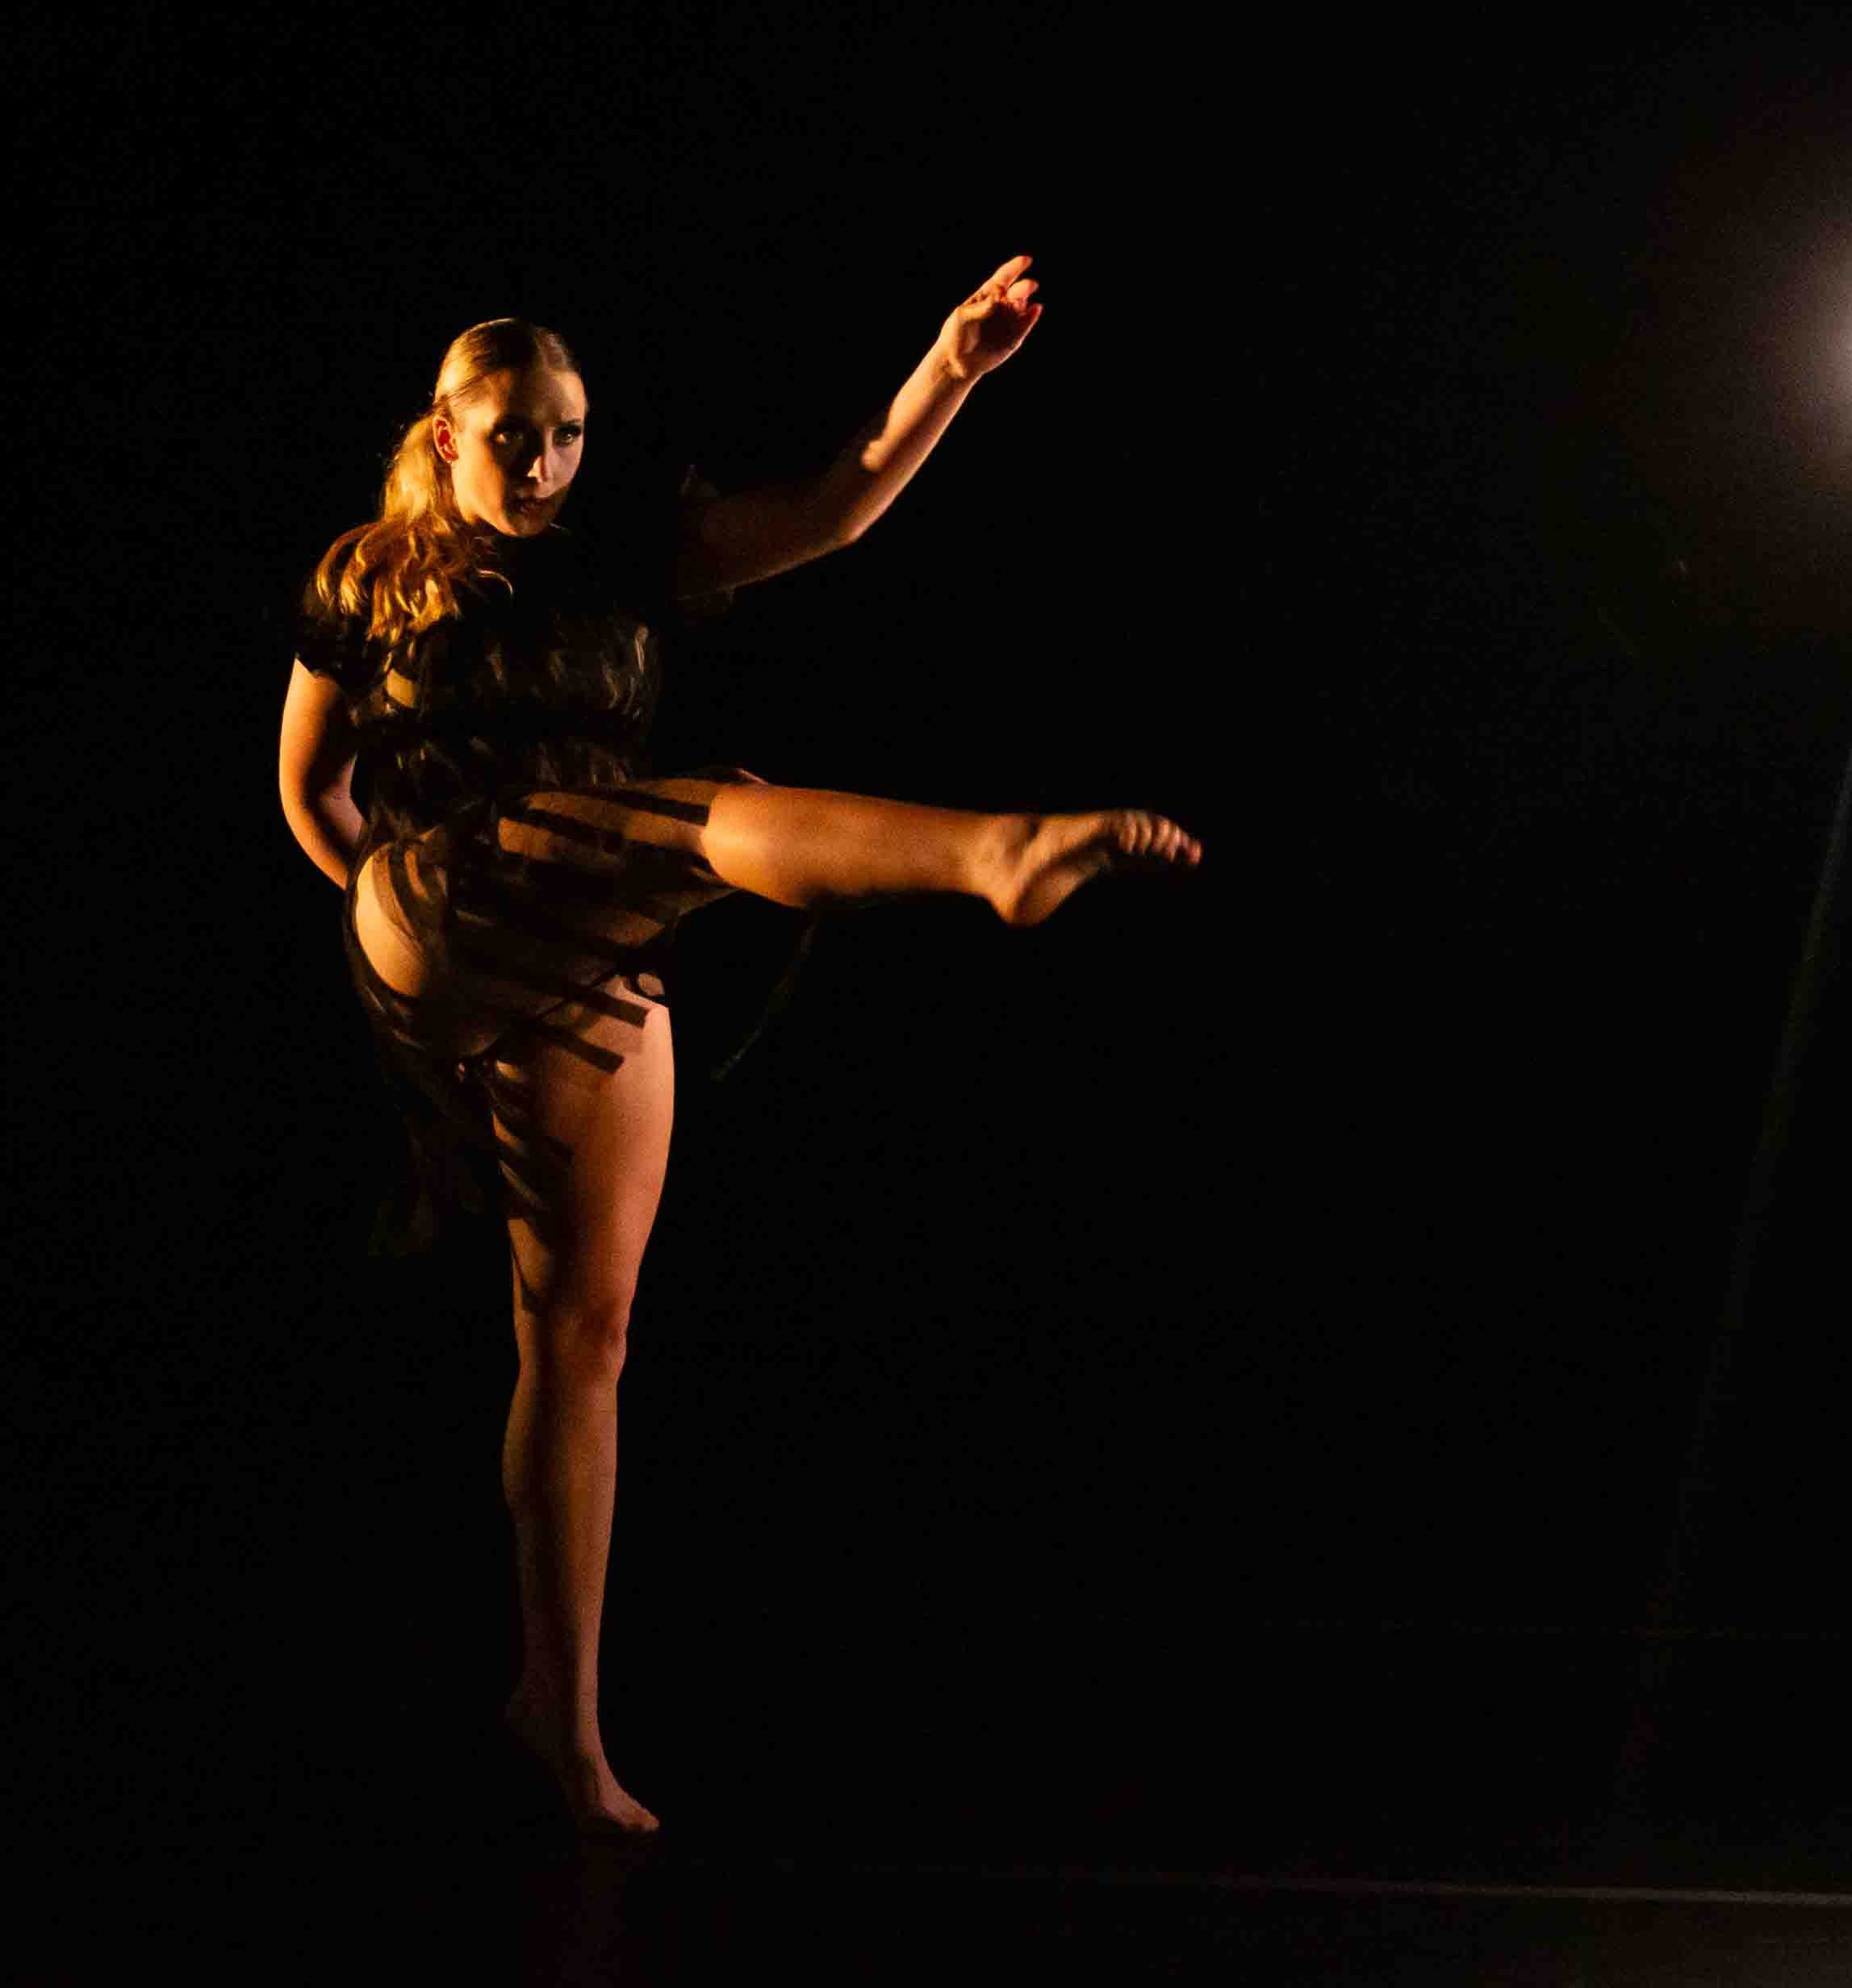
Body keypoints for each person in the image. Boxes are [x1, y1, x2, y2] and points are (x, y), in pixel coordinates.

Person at [275, 256, 1201, 1833]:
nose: (542, 464)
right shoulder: (367, 574)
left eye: (566, 435)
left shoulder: (623, 553)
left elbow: (832, 507)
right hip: (432, 910)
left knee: (583, 1329)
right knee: (710, 812)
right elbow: (312, 789)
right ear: (443, 433)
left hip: (593, 944)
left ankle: (556, 1718)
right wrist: (406, 959)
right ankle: (990, 854)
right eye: (510, 435)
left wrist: (951, 366)